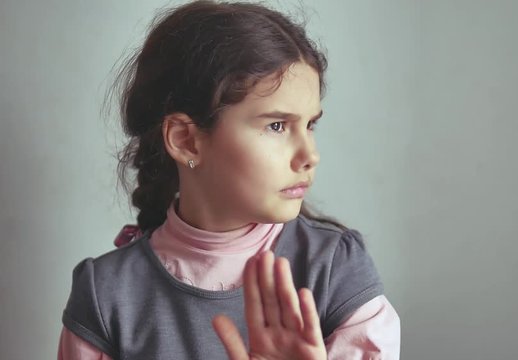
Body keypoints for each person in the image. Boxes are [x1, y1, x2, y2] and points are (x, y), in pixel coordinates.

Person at [57, 1, 401, 359]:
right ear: (185, 140)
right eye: (277, 126)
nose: (309, 155)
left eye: (310, 124)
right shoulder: (106, 295)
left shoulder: (335, 271)